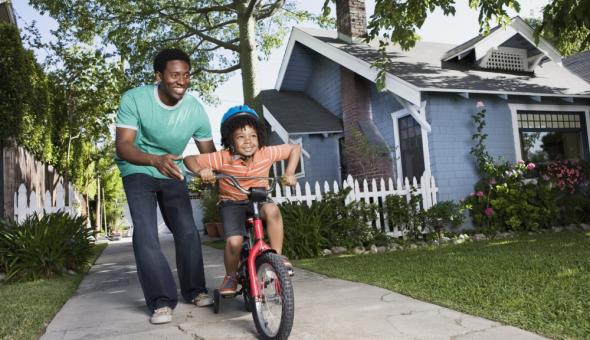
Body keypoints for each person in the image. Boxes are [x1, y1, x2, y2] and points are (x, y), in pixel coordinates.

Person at [115, 48, 215, 325]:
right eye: (174, 75)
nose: (181, 81)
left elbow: (208, 153)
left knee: (186, 230)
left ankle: (195, 290)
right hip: (137, 167)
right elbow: (123, 146)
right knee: (146, 233)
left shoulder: (195, 109)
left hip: (172, 170)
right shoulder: (135, 98)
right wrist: (154, 160)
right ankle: (161, 301)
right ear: (159, 76)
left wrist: (208, 168)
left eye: (185, 75)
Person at [184, 105, 301, 296]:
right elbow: (189, 159)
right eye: (240, 136)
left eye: (253, 136)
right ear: (230, 140)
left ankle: (277, 259)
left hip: (258, 198)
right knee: (234, 241)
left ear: (260, 137)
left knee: (272, 210)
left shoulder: (266, 152)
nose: (248, 141)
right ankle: (230, 276)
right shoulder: (223, 158)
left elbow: (294, 148)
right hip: (231, 203)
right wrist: (201, 171)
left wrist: (289, 172)